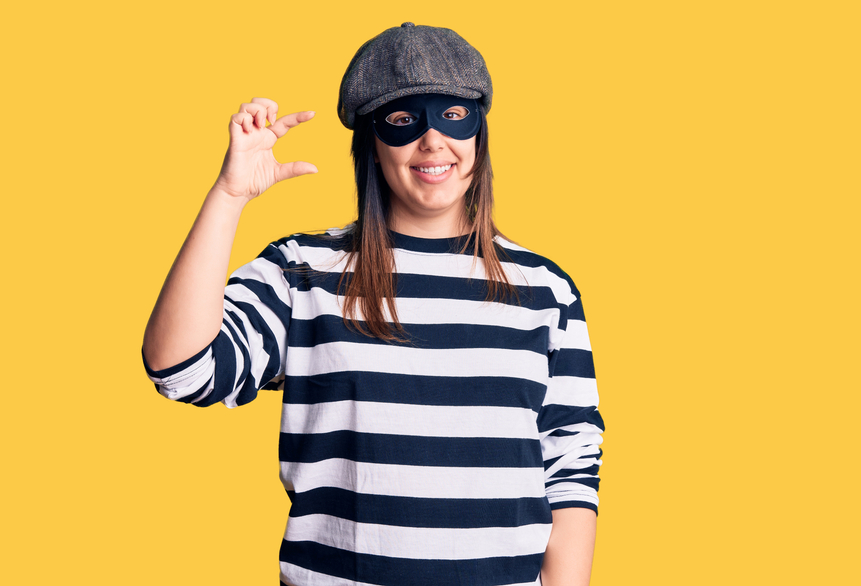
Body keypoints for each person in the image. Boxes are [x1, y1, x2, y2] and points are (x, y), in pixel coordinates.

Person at [142, 22, 604, 586]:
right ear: (371, 144)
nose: (432, 141)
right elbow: (181, 369)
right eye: (404, 121)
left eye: (452, 115)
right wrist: (229, 196)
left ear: (479, 133)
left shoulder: (545, 290)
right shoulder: (305, 273)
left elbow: (571, 464)